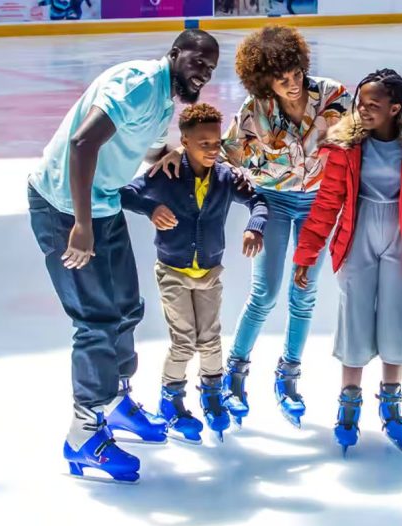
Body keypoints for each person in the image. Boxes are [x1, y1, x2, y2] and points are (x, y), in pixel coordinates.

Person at [27, 29, 219, 483]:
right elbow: (82, 143)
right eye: (197, 61)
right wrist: (81, 224)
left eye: (210, 69)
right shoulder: (136, 85)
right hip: (63, 207)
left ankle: (114, 402)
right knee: (95, 320)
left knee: (127, 308)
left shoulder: (164, 104)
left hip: (103, 203)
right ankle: (83, 435)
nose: (204, 73)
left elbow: (136, 153)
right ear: (175, 54)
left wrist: (163, 163)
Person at [154, 25, 350, 429]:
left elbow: (358, 137)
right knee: (264, 292)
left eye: (296, 74)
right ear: (264, 80)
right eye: (282, 79)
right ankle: (235, 373)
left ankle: (288, 375)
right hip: (273, 201)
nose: (292, 84)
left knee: (305, 292)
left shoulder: (332, 94)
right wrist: (179, 152)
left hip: (318, 203)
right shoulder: (253, 110)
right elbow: (223, 152)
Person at [292, 69, 402, 455]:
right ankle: (349, 401)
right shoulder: (347, 146)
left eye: (373, 105)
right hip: (358, 233)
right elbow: (327, 202)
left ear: (395, 109)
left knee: (395, 318)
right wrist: (307, 253)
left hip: (400, 240)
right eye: (360, 104)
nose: (363, 111)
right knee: (355, 316)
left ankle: (391, 400)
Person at [120, 103, 268, 445]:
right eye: (203, 143)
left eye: (216, 143)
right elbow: (126, 194)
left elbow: (258, 201)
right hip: (173, 271)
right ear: (184, 142)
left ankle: (212, 392)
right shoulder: (166, 174)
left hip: (210, 272)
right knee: (184, 340)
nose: (212, 149)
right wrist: (151, 207)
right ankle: (171, 399)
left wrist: (255, 226)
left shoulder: (226, 177)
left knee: (211, 337)